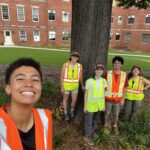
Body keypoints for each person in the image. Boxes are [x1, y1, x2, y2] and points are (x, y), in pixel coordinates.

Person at [0, 58, 52, 150]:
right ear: (8, 88)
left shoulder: (45, 118)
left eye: (35, 80)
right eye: (20, 79)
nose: (29, 84)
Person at [84, 64, 107, 145]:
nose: (99, 71)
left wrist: (104, 105)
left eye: (101, 70)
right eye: (97, 69)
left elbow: (104, 94)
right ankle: (87, 137)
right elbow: (86, 94)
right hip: (90, 105)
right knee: (88, 122)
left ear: (103, 71)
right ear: (95, 70)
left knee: (95, 121)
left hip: (99, 106)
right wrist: (85, 106)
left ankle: (91, 135)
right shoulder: (89, 81)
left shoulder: (104, 81)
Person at [104, 56, 127, 134]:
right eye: (115, 63)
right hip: (108, 98)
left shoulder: (124, 74)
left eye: (119, 63)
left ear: (121, 65)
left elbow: (125, 88)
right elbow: (104, 85)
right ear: (113, 64)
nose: (117, 64)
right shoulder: (108, 73)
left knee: (116, 114)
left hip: (118, 99)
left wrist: (123, 99)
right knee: (107, 113)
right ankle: (106, 125)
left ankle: (114, 126)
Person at [60, 51, 84, 121]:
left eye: (76, 57)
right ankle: (65, 113)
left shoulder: (79, 66)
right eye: (73, 56)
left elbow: (81, 77)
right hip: (66, 86)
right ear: (71, 57)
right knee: (65, 99)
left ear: (78, 58)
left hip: (75, 86)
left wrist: (82, 85)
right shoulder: (65, 65)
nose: (74, 58)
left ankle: (72, 110)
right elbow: (61, 76)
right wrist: (62, 87)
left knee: (74, 100)